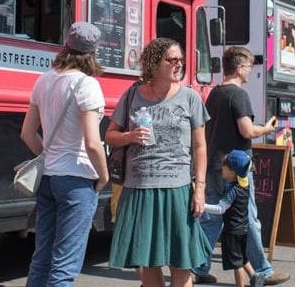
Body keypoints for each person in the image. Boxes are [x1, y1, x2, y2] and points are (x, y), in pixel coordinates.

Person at [106, 38, 211, 287]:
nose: (179, 64)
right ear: (154, 64)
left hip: (178, 190)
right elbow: (110, 135)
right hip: (139, 189)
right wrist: (130, 136)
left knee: (181, 264)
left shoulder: (190, 97)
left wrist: (199, 189)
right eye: (172, 60)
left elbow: (200, 146)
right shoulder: (132, 94)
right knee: (148, 263)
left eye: (181, 60)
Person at [20, 21, 110, 287]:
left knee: (42, 258)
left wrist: (49, 157)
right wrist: (103, 176)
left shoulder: (43, 80)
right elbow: (92, 143)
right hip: (78, 180)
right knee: (64, 266)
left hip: (48, 179)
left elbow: (27, 134)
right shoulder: (87, 85)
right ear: (92, 52)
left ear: (66, 46)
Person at [193, 47, 289, 286]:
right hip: (237, 169)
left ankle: (198, 267)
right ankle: (263, 271)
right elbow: (247, 130)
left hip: (214, 164)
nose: (250, 71)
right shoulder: (239, 95)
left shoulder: (214, 94)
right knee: (247, 217)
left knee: (211, 219)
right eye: (248, 67)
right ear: (239, 67)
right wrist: (267, 128)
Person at [203, 151, 264, 287]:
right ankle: (255, 276)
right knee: (242, 257)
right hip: (243, 228)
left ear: (232, 172)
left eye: (223, 167)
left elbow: (220, 209)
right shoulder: (244, 184)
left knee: (237, 265)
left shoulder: (233, 191)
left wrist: (203, 206)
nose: (221, 169)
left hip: (232, 231)